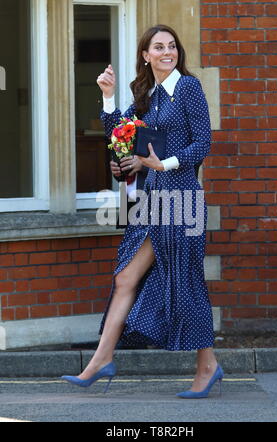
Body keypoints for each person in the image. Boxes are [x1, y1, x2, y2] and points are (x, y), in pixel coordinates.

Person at [62, 24, 223, 399]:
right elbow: (125, 140)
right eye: (159, 47)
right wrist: (107, 99)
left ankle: (208, 365)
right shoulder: (147, 93)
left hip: (182, 200)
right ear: (146, 55)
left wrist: (161, 164)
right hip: (152, 203)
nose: (168, 52)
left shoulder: (188, 88)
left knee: (187, 283)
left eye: (172, 46)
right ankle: (101, 360)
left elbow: (204, 142)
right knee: (125, 279)